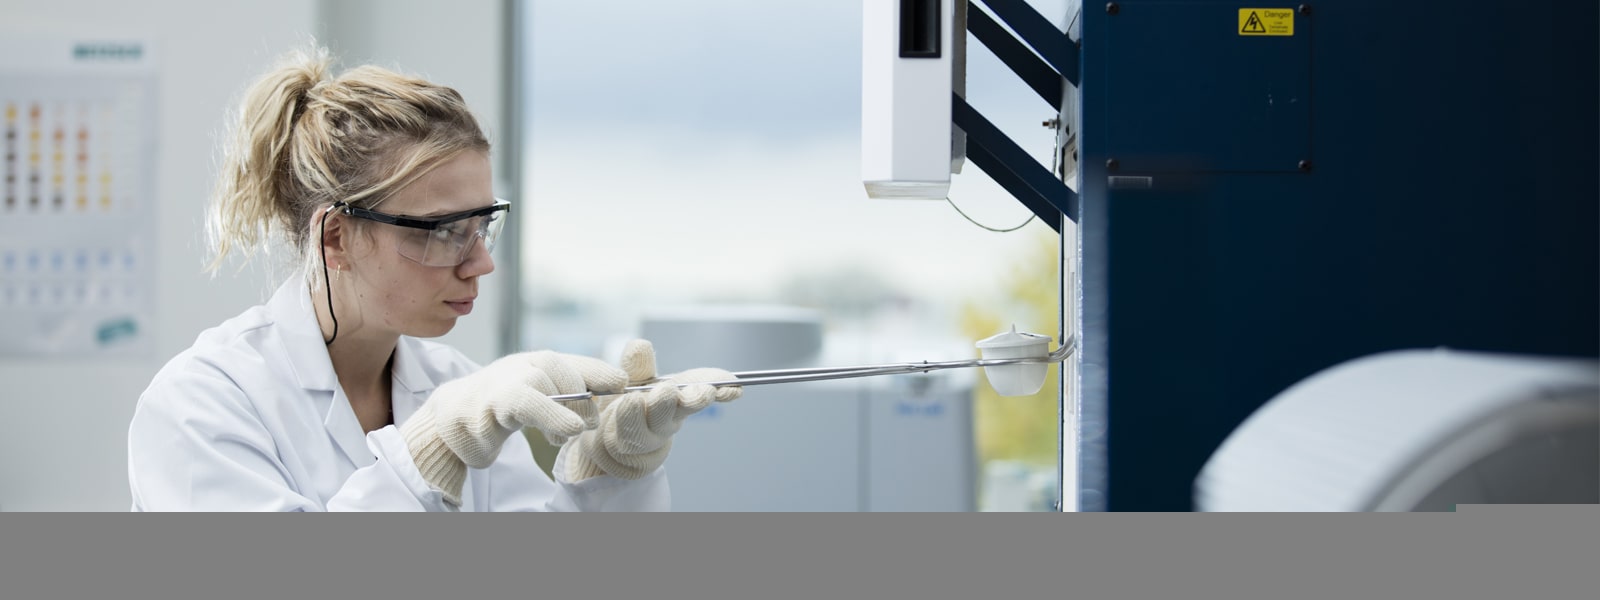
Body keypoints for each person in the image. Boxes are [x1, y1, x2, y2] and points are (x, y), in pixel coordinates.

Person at [126, 46, 740, 511]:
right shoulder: (201, 405)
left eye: (481, 226)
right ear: (335, 237)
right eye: (441, 229)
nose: (480, 263)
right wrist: (429, 454)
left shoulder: (454, 388)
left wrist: (609, 473)